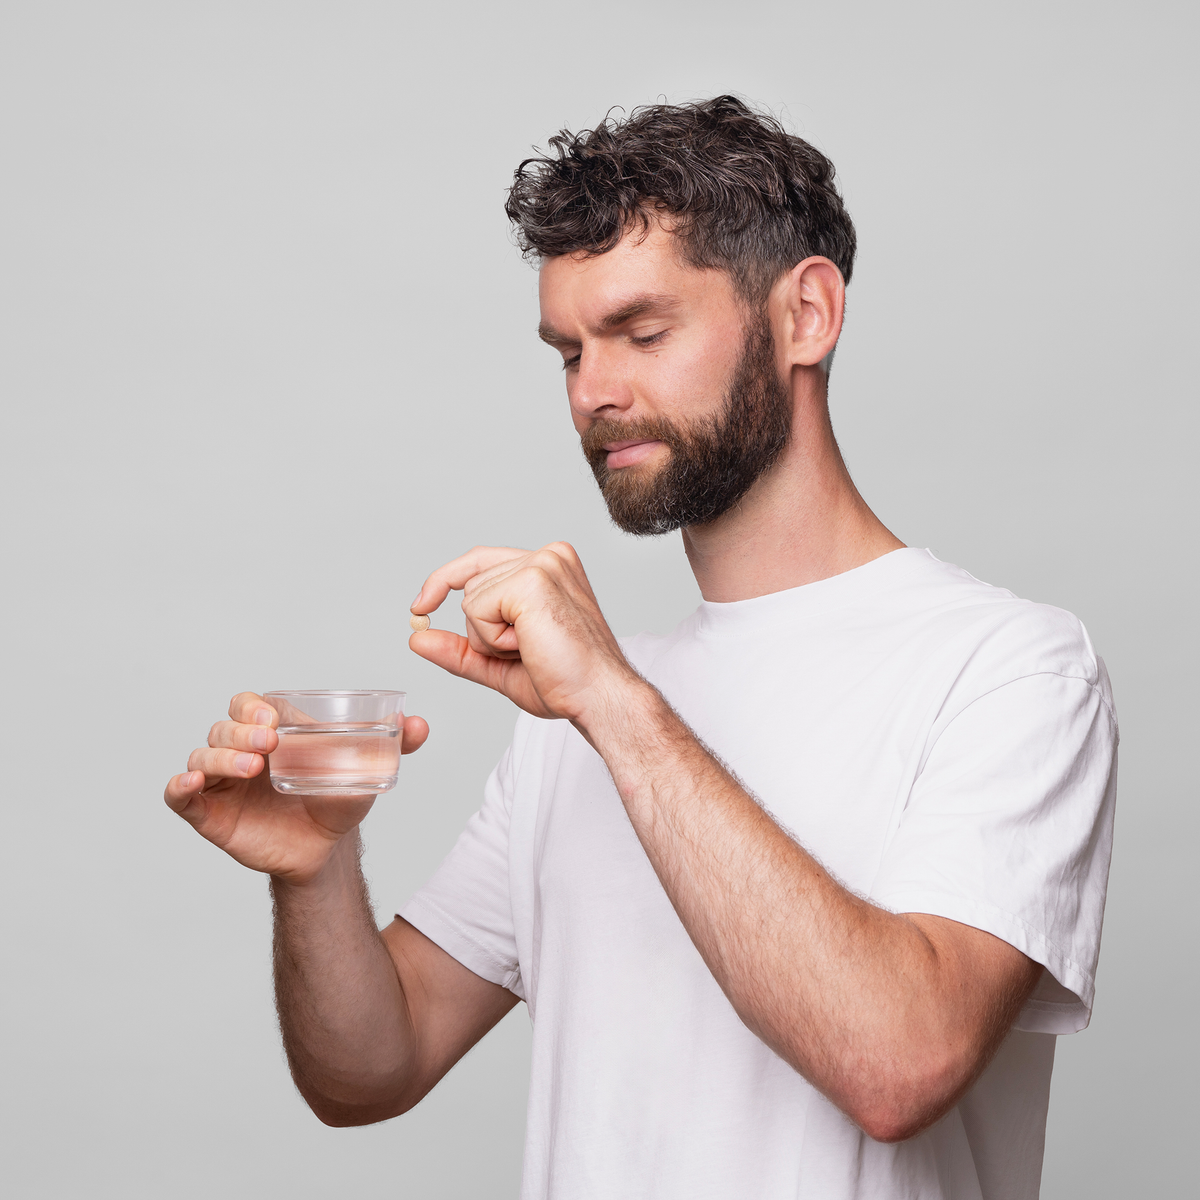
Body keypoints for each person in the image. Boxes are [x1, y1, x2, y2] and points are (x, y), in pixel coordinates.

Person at [164, 96, 1117, 1199]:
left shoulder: (1010, 669)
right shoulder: (585, 714)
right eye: (568, 350)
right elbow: (375, 1066)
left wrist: (617, 705)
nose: (592, 394)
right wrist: (316, 871)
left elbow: (897, 1064)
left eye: (642, 333)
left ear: (806, 314)